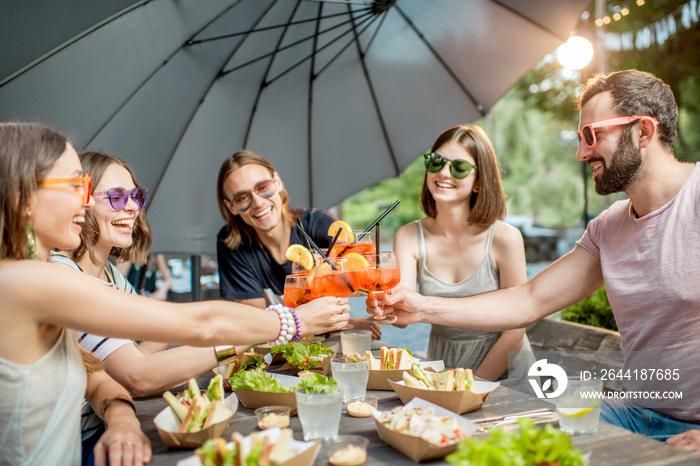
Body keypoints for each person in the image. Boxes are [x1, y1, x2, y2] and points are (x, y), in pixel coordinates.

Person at [367, 69, 700, 452]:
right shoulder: (608, 228)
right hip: (633, 412)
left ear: (643, 131)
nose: (581, 152)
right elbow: (528, 300)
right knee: (491, 449)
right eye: (580, 137)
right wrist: (421, 306)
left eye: (592, 135)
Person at [0, 122, 350, 465]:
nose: (85, 200)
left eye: (87, 187)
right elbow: (197, 327)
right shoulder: (30, 281)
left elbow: (102, 373)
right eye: (75, 186)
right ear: (23, 197)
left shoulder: (43, 277)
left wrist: (121, 412)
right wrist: (293, 321)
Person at [393, 124, 533, 387]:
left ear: (479, 181)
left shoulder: (505, 238)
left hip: (507, 372)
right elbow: (402, 318)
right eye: (436, 161)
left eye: (459, 167)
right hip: (444, 368)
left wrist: (471, 387)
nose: (443, 172)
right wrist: (379, 300)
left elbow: (515, 331)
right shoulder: (408, 236)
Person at [216, 150, 381, 338]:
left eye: (263, 187)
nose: (258, 203)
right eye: (242, 198)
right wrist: (347, 324)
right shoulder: (232, 245)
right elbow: (256, 328)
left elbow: (356, 270)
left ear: (277, 182)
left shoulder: (318, 225)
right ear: (231, 207)